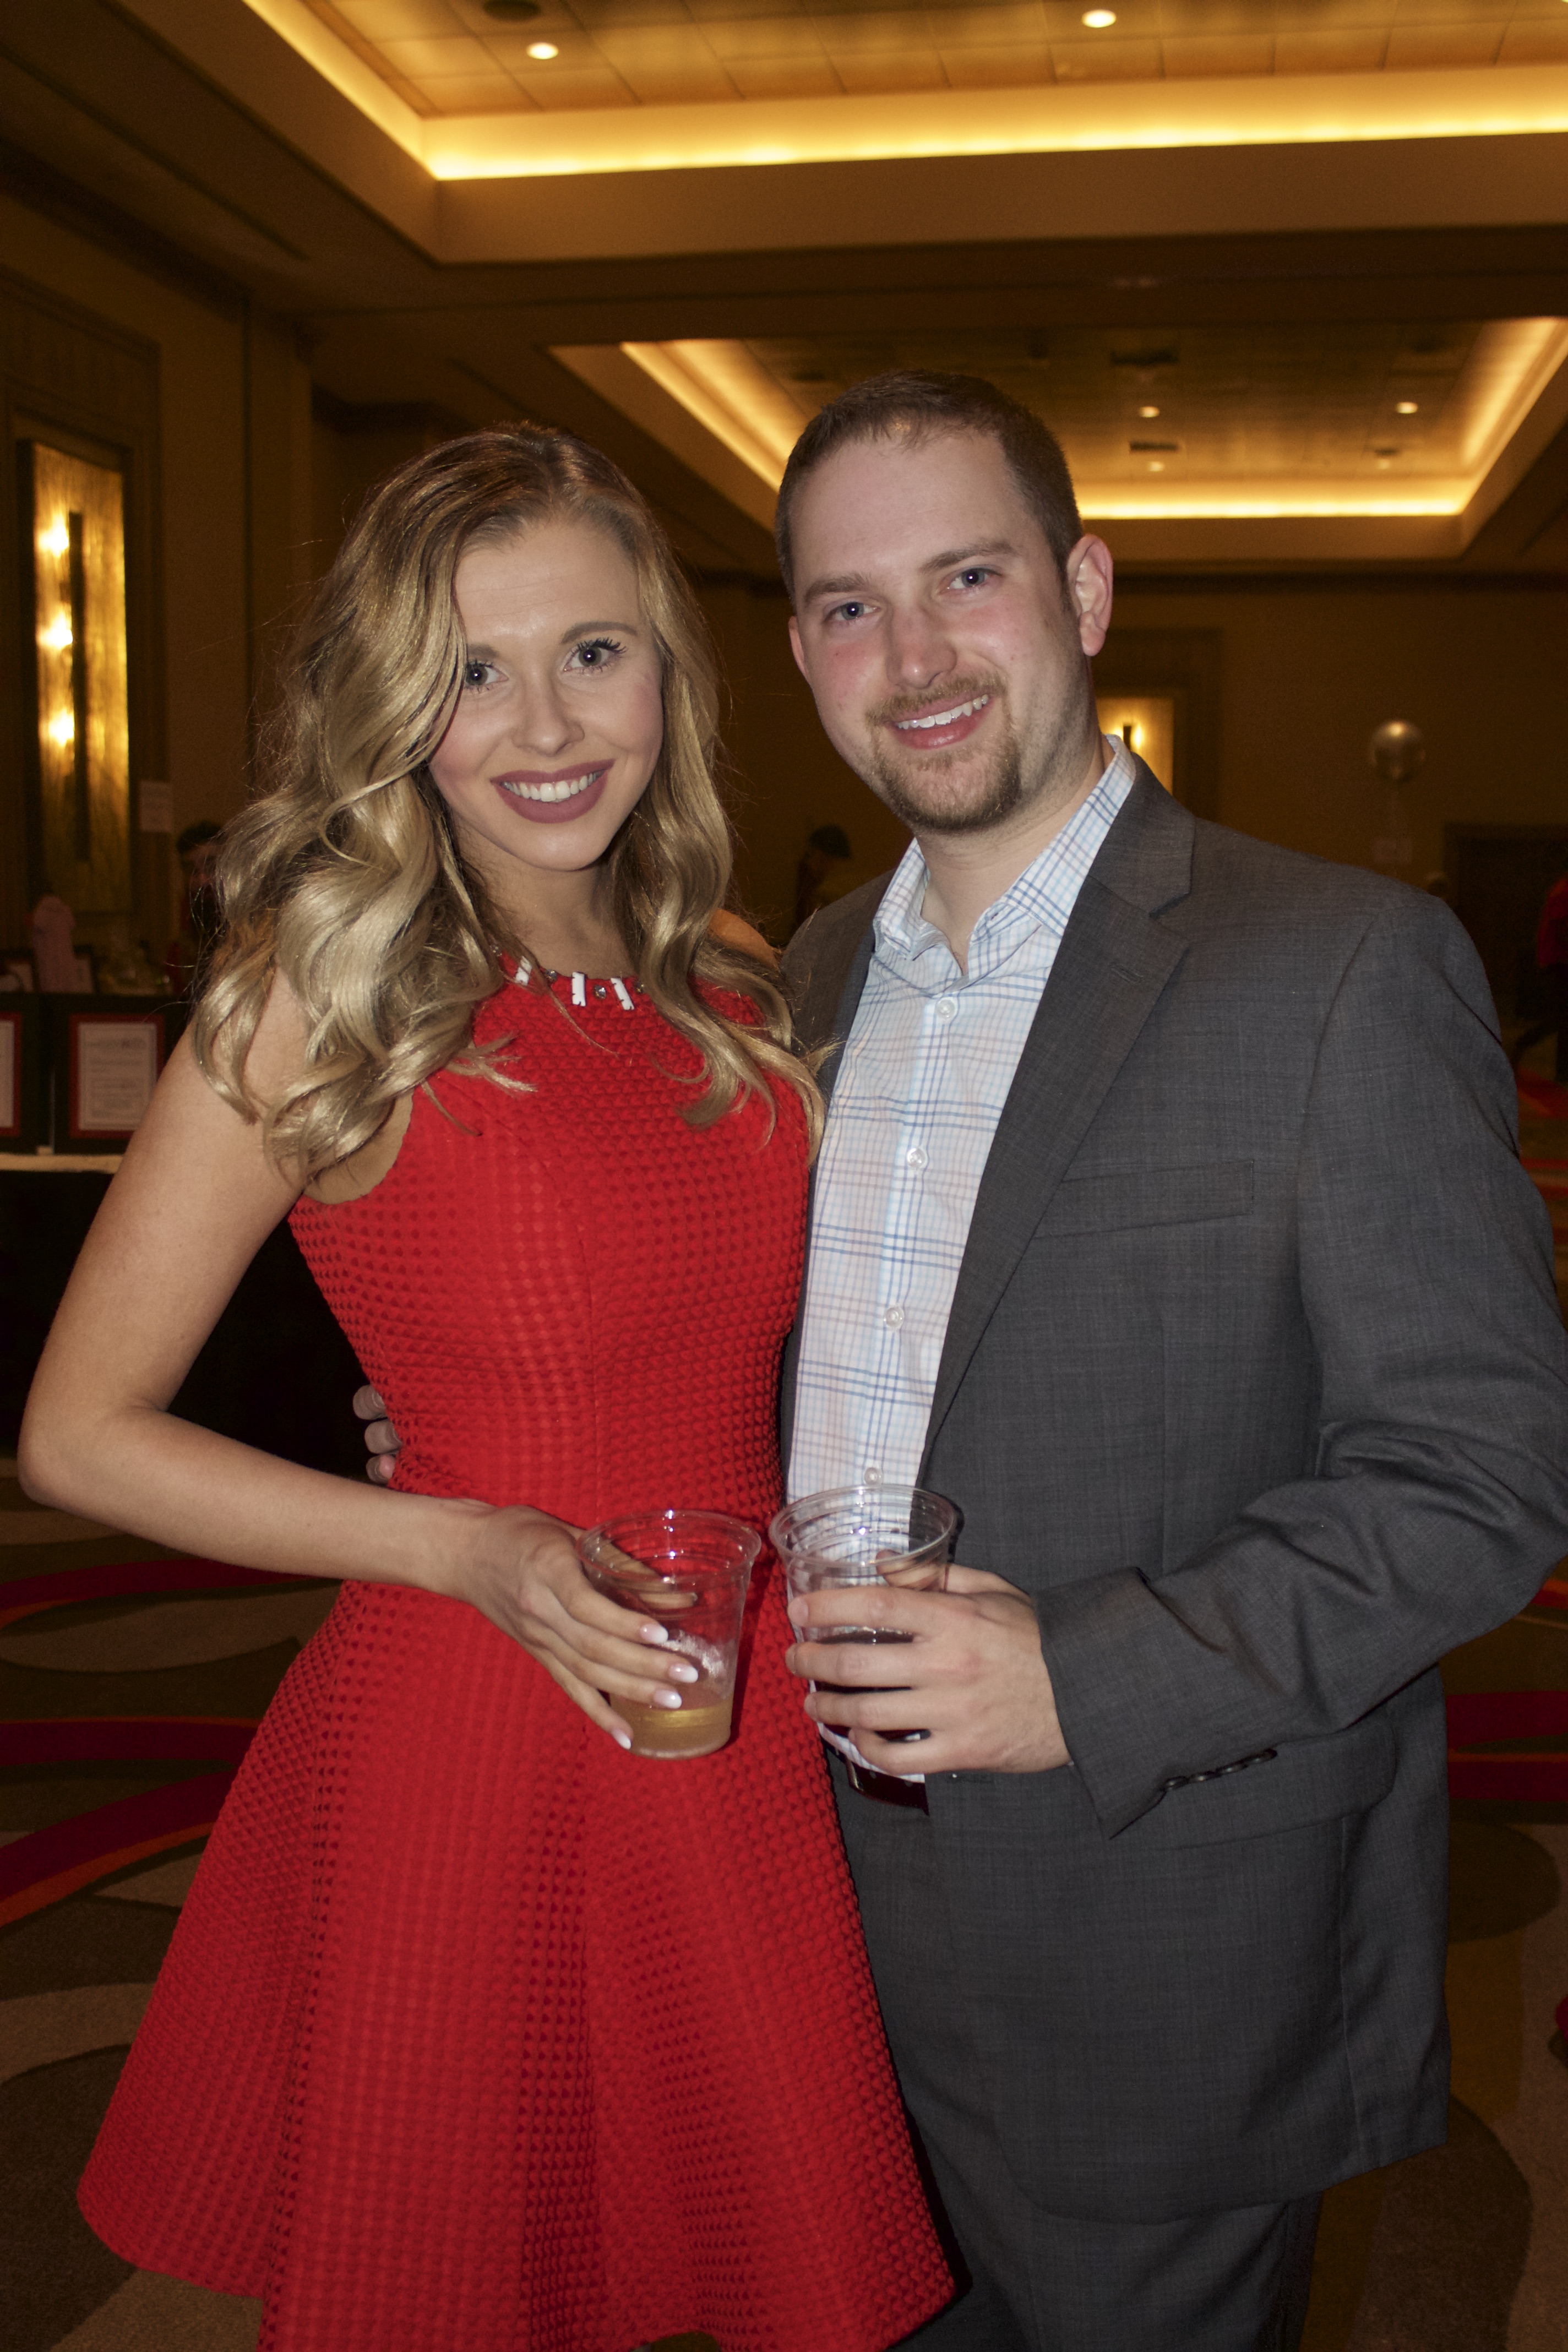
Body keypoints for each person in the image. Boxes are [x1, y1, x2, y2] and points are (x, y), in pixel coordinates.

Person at [19, 427, 949, 2352]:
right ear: (395, 707)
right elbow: (77, 1434)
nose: (543, 724)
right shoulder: (321, 987)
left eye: (591, 652)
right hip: (466, 1704)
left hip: (724, 1700)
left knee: (729, 2249)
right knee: (453, 2268)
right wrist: (465, 1539)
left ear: (667, 671)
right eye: (469, 670)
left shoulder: (733, 980)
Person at [768, 375, 1568, 2349]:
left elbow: (1479, 1479)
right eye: (851, 605)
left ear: (1082, 588)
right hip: (796, 1904)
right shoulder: (782, 989)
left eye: (967, 577)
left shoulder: (1337, 967)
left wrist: (1081, 1676)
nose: (914, 656)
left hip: (1159, 1920)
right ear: (797, 649)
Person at [1510, 864, 1568, 1082]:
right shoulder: (1564, 892)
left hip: (1559, 959)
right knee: (1559, 1018)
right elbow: (1561, 927)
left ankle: (1562, 1070)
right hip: (1559, 961)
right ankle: (1521, 1045)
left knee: (1562, 1019)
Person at [164, 816, 223, 995]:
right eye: (192, 871)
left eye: (211, 867)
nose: (202, 880)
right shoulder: (182, 944)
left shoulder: (257, 934)